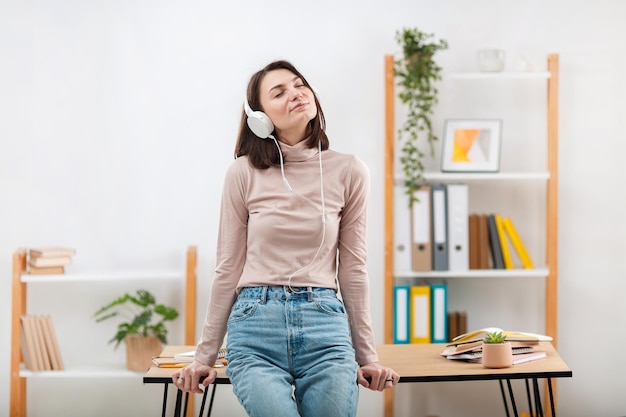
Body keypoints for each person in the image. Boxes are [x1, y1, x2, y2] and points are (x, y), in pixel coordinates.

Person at [173, 60, 399, 417]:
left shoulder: (350, 170)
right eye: (279, 92)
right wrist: (205, 356)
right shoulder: (242, 173)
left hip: (324, 324)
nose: (296, 93)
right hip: (255, 326)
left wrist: (367, 356)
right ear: (259, 118)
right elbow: (227, 268)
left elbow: (353, 269)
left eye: (299, 85)